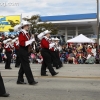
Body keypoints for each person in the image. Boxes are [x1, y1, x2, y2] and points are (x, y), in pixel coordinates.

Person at [16, 21, 38, 85]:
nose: (28, 26)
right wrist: (31, 40)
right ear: (24, 26)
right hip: (23, 50)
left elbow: (27, 42)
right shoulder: (21, 33)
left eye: (28, 25)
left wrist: (31, 39)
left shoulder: (26, 33)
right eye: (27, 25)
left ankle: (19, 80)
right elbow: (22, 43)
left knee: (23, 66)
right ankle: (31, 81)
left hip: (25, 50)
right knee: (26, 66)